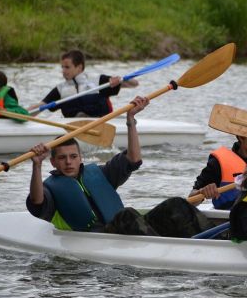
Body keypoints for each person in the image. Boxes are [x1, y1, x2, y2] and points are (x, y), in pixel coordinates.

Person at [26, 96, 212, 237]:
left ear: (80, 158)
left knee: (176, 204)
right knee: (127, 215)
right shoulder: (50, 188)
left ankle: (214, 240)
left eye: (73, 156)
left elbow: (133, 158)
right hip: (98, 238)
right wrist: (37, 166)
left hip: (127, 231)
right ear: (53, 162)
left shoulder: (99, 173)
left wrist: (130, 120)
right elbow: (37, 201)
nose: (68, 162)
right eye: (62, 158)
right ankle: (160, 245)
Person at [27, 49, 139, 118]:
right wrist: (21, 114)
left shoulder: (98, 81)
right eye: (62, 67)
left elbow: (135, 84)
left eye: (67, 67)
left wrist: (119, 80)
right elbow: (39, 107)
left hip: (102, 125)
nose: (63, 71)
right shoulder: (60, 90)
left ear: (79, 67)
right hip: (73, 129)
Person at [189, 136, 247, 210]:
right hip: (228, 217)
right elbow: (190, 202)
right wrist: (201, 192)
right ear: (241, 137)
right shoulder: (217, 164)